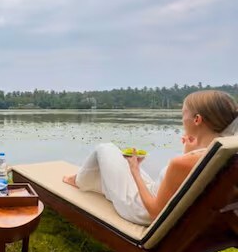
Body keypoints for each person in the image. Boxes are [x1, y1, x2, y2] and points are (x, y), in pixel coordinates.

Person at [63, 90, 238, 225]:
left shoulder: (183, 162)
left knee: (106, 148)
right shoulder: (223, 153)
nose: (182, 118)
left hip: (141, 210)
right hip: (168, 203)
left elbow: (154, 212)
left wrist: (135, 170)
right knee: (116, 163)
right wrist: (188, 151)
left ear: (197, 119)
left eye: (183, 113)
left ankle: (79, 180)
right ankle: (88, 181)